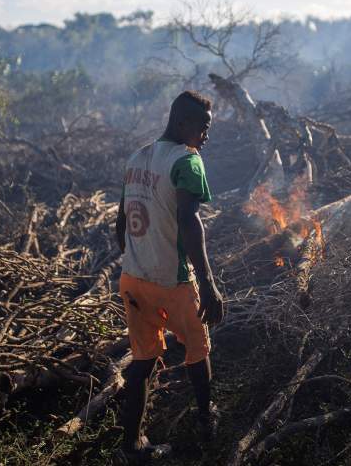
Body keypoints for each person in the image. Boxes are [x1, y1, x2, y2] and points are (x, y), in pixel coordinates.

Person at [115, 91, 226, 463]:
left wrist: (136, 256)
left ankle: (131, 446)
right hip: (172, 281)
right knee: (198, 349)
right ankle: (206, 421)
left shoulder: (137, 158)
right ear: (183, 123)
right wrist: (208, 283)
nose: (206, 137)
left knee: (143, 361)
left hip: (133, 278)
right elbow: (189, 222)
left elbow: (120, 221)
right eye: (204, 128)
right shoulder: (187, 161)